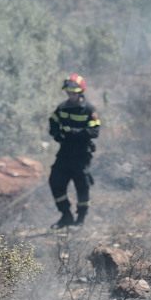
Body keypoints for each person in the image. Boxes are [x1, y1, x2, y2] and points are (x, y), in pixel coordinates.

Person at [48, 73, 100, 228]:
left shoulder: (89, 110)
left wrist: (74, 132)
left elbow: (95, 132)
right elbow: (53, 121)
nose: (70, 95)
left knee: (82, 186)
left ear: (80, 92)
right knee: (55, 182)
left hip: (81, 155)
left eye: (73, 93)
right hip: (64, 154)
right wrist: (56, 134)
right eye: (69, 92)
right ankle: (66, 215)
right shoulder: (62, 108)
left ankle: (81, 219)